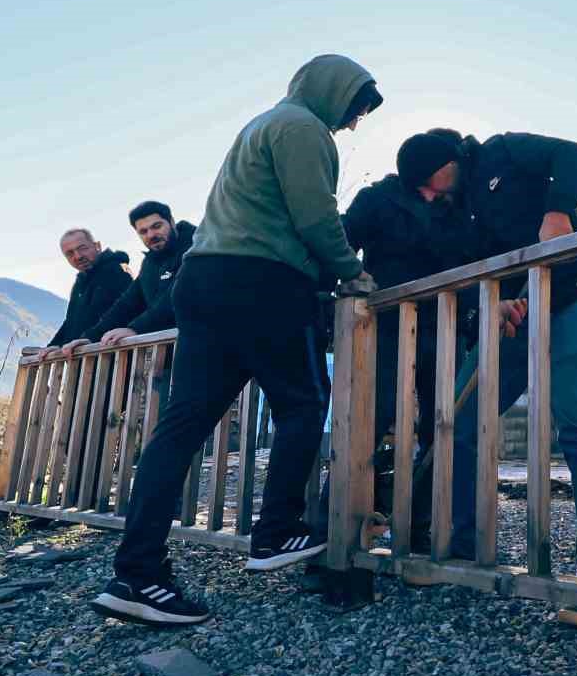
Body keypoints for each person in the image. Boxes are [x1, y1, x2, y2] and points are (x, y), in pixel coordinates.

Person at [90, 54, 382, 626]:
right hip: (263, 282)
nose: (352, 125)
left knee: (182, 427)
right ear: (333, 93)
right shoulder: (303, 129)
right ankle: (276, 532)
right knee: (303, 405)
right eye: (354, 110)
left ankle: (137, 573)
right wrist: (353, 272)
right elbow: (316, 218)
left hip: (205, 282)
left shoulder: (261, 125)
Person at [398, 128, 577, 630]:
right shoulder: (454, 211)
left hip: (570, 299)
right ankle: (462, 551)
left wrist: (557, 211)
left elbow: (575, 149)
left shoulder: (502, 150)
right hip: (514, 317)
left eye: (426, 181)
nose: (427, 194)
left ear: (444, 161)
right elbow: (473, 268)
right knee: (457, 418)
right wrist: (493, 304)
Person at [338, 156, 482, 550]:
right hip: (384, 328)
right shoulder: (378, 199)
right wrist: (349, 281)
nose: (457, 169)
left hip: (444, 325)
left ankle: (419, 528)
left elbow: (465, 265)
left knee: (443, 425)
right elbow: (342, 240)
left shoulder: (457, 209)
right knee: (371, 420)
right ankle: (340, 534)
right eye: (449, 160)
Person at [56, 201, 196, 355]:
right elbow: (127, 304)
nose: (151, 235)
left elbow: (178, 296)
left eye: (157, 226)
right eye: (143, 231)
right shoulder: (150, 263)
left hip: (204, 347)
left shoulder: (196, 251)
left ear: (171, 222)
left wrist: (136, 328)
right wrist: (90, 337)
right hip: (168, 356)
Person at [43, 229, 131, 350]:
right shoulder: (81, 281)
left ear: (97, 246)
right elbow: (71, 321)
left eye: (82, 248)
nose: (78, 256)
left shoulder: (115, 272)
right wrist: (53, 346)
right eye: (70, 253)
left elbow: (121, 313)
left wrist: (90, 338)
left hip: (110, 357)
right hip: (84, 358)